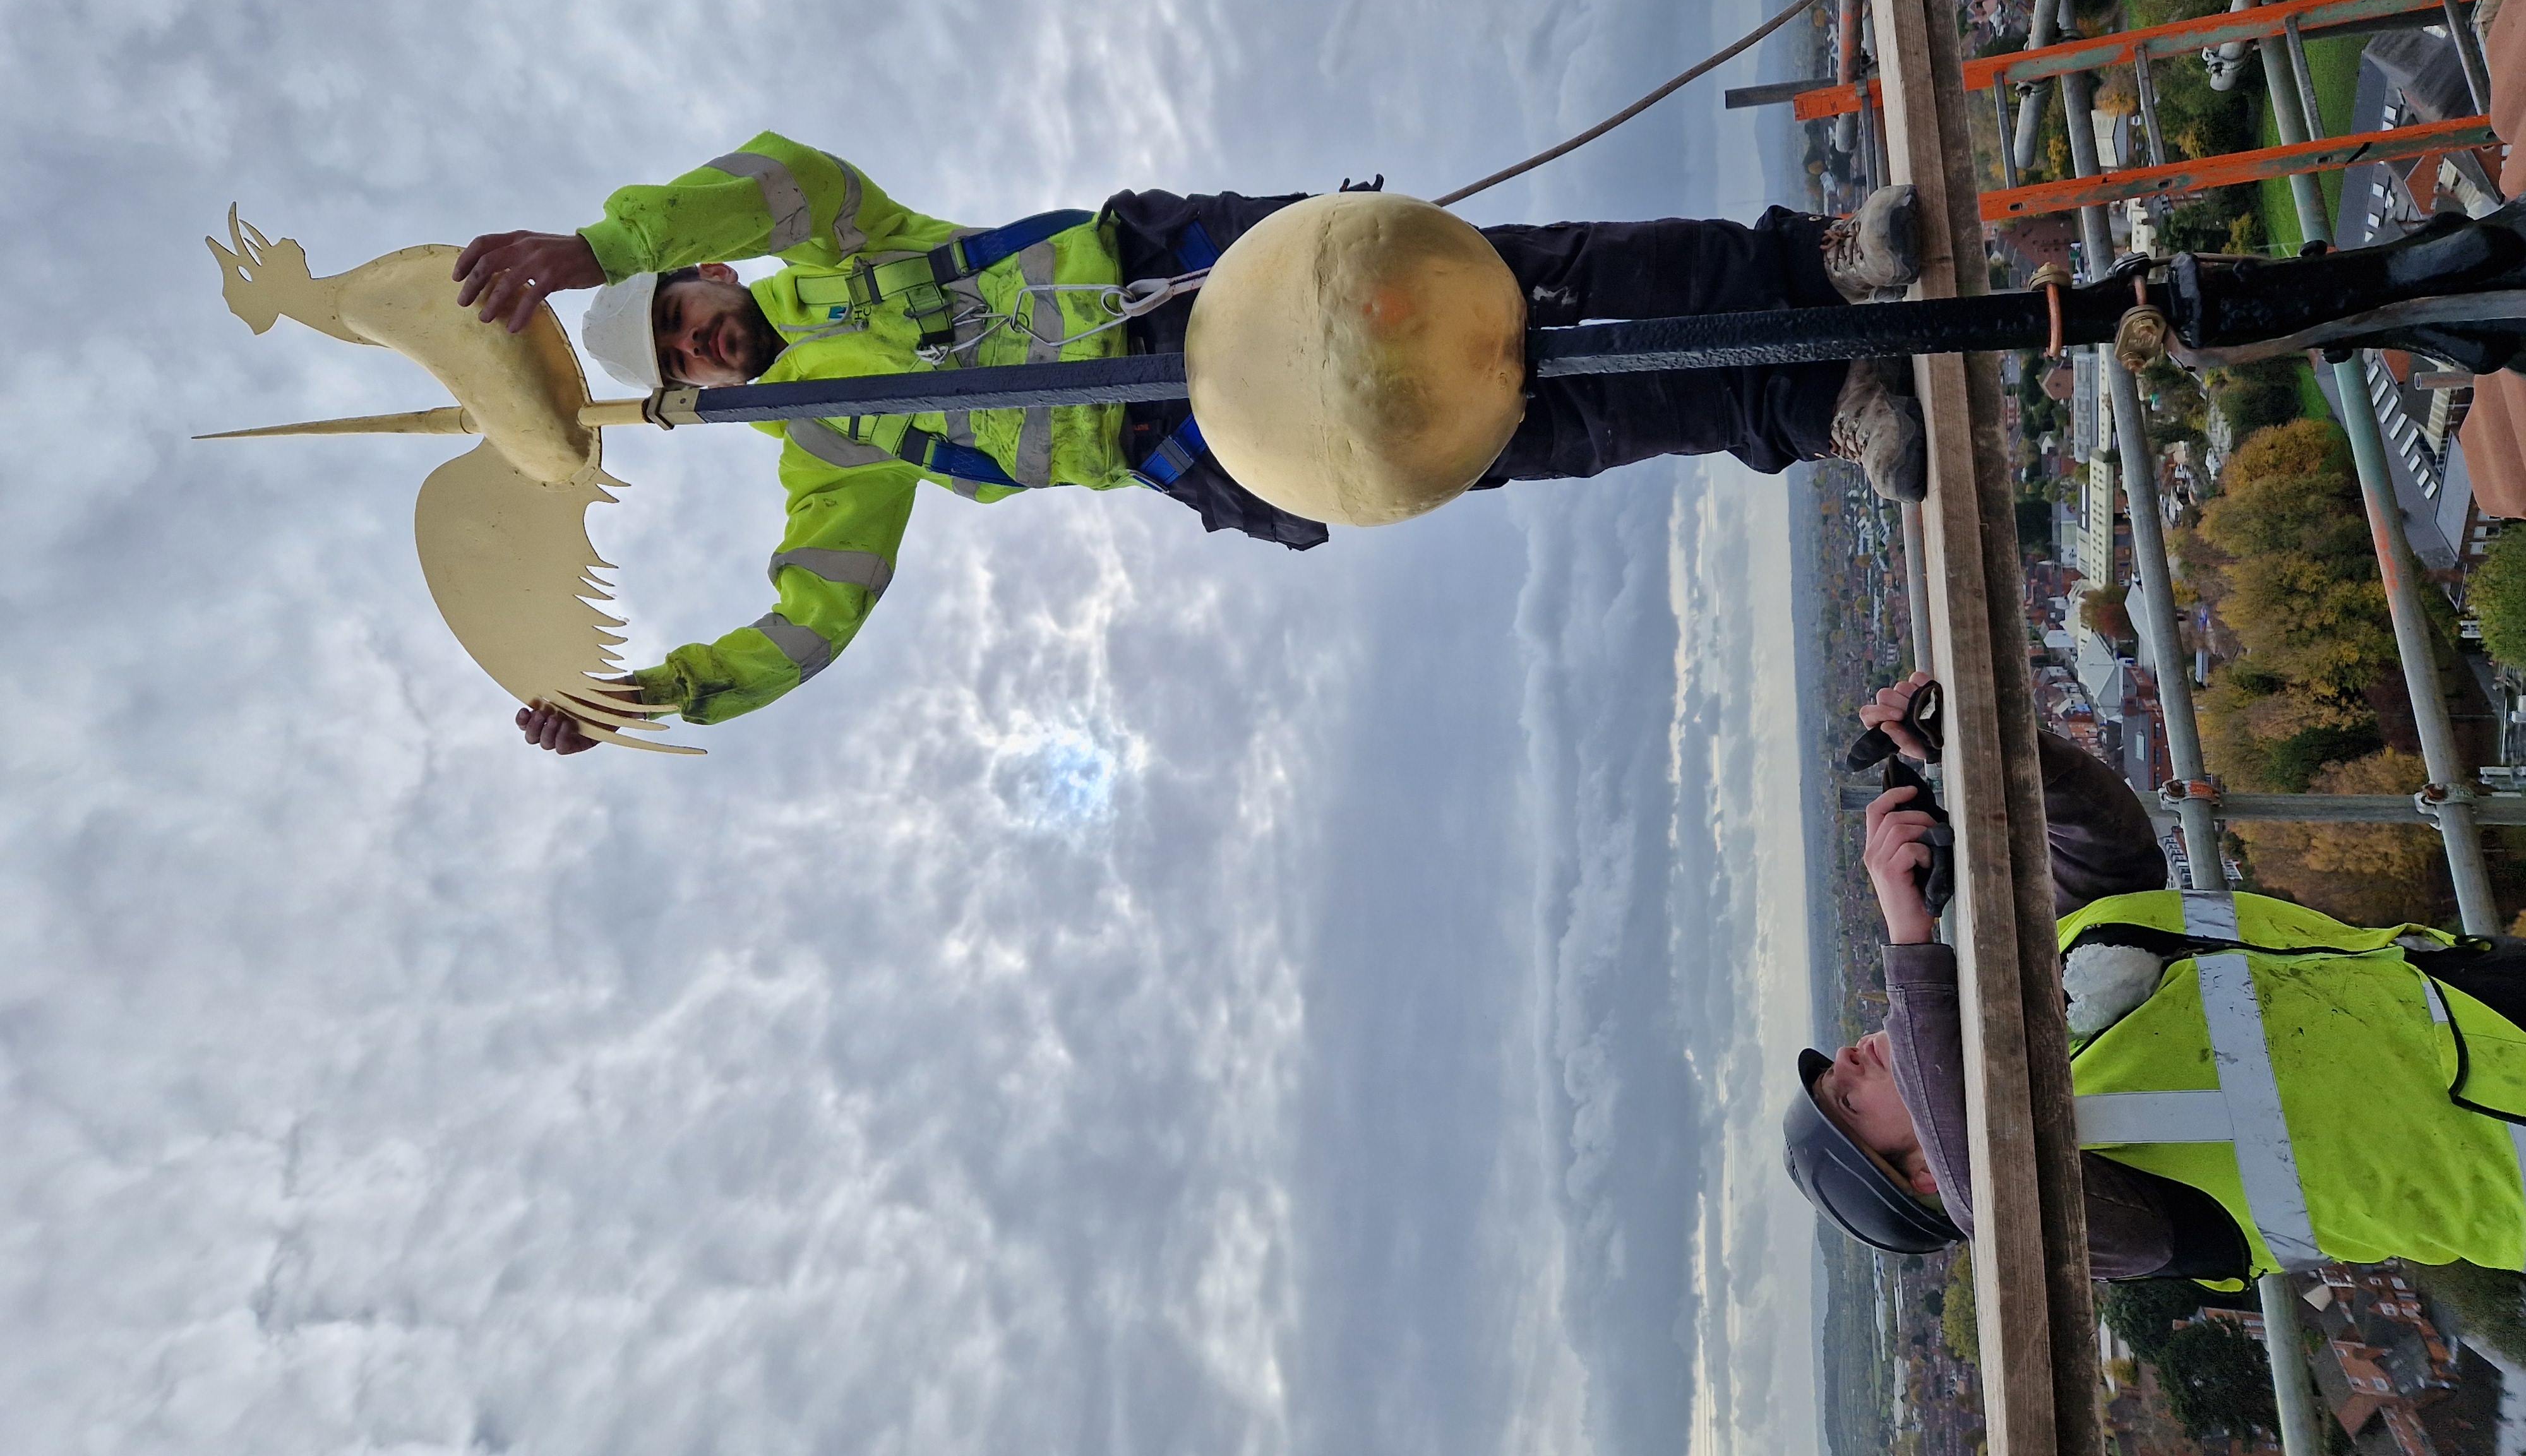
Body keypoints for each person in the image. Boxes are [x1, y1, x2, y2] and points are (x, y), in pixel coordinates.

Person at [454, 134, 1928, 749]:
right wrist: (651, 697)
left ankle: (1821, 266)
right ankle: (1804, 402)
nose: (701, 343)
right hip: (1176, 430)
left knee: (1510, 274)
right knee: (1496, 423)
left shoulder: (830, 241)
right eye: (677, 360)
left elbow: (771, 178)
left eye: (681, 312)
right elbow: (809, 622)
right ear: (690, 393)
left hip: (1164, 270)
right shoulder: (827, 456)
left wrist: (597, 244)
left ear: (704, 284)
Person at [1785, 672, 2526, 1281]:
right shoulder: (2107, 1214)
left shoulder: (2049, 1001)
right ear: (1922, 1174)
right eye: (1849, 1101)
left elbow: (2104, 849)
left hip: (2483, 995)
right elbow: (1995, 1199)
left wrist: (1967, 746)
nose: (1849, 1057)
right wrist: (1910, 938)